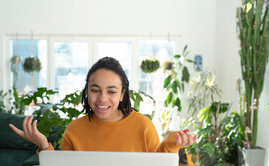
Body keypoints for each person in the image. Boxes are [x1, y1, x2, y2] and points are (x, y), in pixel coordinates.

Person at [10, 57, 197, 153]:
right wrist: (43, 145)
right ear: (86, 91)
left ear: (123, 94)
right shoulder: (74, 130)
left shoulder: (143, 126)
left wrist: (171, 144)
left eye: (112, 91)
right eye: (95, 89)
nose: (102, 98)